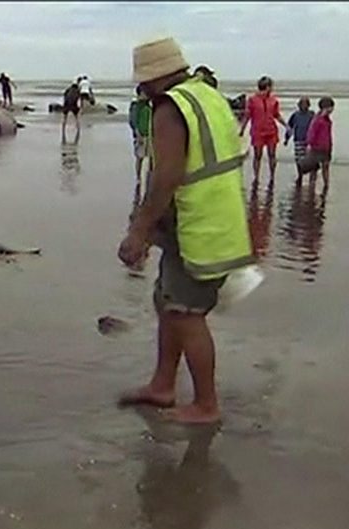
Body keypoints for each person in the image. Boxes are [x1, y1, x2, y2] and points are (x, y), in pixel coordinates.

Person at [118, 37, 255, 425]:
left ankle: (206, 406)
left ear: (155, 78)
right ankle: (162, 385)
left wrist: (139, 230)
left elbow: (167, 176)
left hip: (197, 226)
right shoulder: (207, 96)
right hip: (218, 216)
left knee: (186, 314)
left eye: (142, 82)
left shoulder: (169, 108)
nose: (140, 90)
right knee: (168, 303)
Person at [240, 76, 288, 186]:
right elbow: (247, 116)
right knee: (257, 155)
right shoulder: (252, 100)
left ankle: (272, 176)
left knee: (272, 154)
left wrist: (286, 125)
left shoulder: (273, 100)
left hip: (271, 131)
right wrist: (242, 130)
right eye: (271, 87)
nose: (272, 89)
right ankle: (256, 177)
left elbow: (276, 115)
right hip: (258, 131)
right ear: (267, 87)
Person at [304, 96, 334, 190]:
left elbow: (328, 134)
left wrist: (330, 146)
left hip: (326, 148)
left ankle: (326, 185)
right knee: (314, 169)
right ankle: (311, 186)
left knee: (326, 167)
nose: (332, 109)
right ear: (326, 107)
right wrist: (309, 144)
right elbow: (311, 132)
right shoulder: (317, 119)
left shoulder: (327, 120)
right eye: (331, 107)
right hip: (316, 148)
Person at [284, 97, 314, 185]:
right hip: (298, 140)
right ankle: (300, 176)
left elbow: (317, 128)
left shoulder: (312, 115)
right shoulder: (295, 115)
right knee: (299, 160)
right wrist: (286, 138)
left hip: (310, 141)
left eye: (305, 104)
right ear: (299, 105)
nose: (303, 106)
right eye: (301, 104)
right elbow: (290, 127)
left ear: (308, 105)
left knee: (311, 160)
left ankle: (311, 179)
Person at [128, 86, 152, 189]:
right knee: (140, 158)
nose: (146, 95)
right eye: (144, 93)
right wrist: (138, 134)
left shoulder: (148, 105)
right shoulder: (136, 106)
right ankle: (138, 177)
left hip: (149, 135)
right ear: (140, 93)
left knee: (150, 157)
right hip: (141, 135)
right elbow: (133, 121)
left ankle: (148, 177)